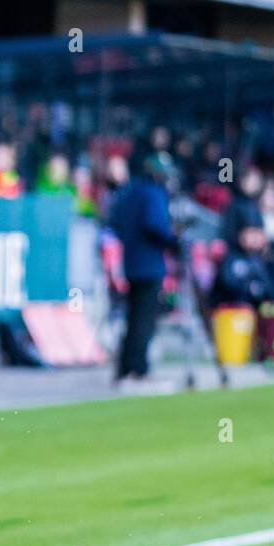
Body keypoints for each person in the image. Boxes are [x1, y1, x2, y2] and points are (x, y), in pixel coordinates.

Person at [108, 151, 176, 387]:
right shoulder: (152, 193)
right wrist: (172, 238)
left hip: (131, 263)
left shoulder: (130, 192)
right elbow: (155, 225)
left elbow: (116, 222)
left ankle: (125, 369)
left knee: (133, 318)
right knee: (144, 321)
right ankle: (138, 369)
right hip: (149, 264)